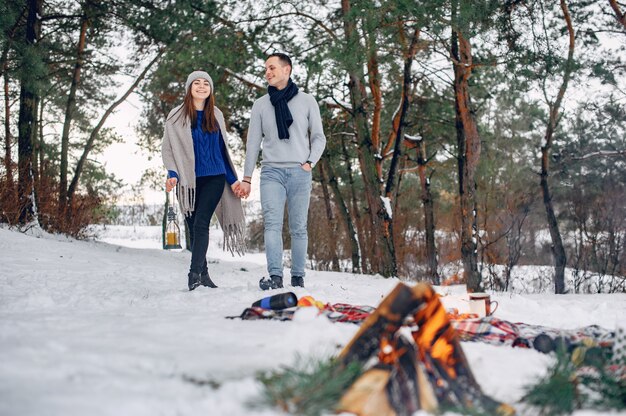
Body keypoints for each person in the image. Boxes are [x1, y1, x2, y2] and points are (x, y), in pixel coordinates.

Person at [239, 53, 326, 290]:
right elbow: (252, 143)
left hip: (300, 172)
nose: (267, 72)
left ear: (287, 70)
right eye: (265, 68)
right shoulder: (260, 105)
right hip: (271, 173)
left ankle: (298, 277)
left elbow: (319, 137)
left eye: (272, 68)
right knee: (272, 225)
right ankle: (275, 276)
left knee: (298, 227)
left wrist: (310, 162)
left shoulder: (307, 101)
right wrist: (246, 178)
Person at [162, 70, 246, 291]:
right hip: (188, 182)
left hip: (215, 177)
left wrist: (233, 180)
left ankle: (193, 273)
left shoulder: (216, 114)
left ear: (210, 90)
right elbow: (168, 149)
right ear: (189, 88)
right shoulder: (176, 115)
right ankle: (205, 274)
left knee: (201, 223)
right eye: (196, 83)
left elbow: (222, 151)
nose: (201, 86)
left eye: (206, 83)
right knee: (192, 226)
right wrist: (173, 173)